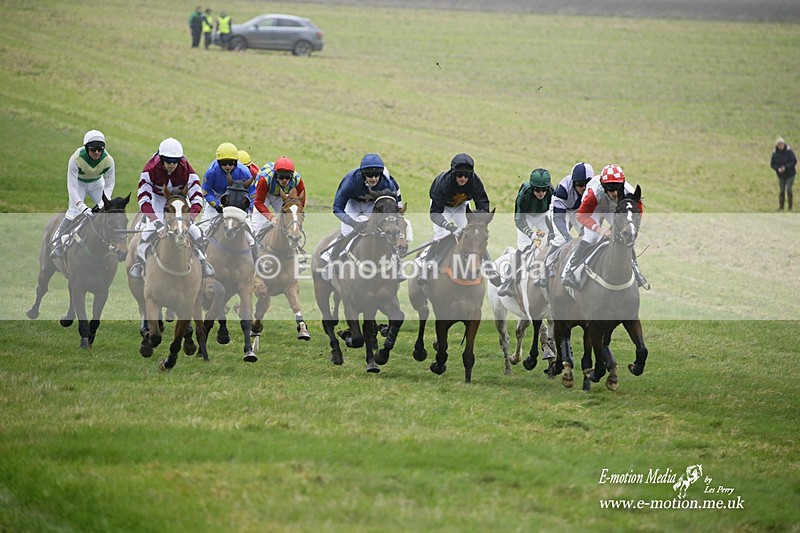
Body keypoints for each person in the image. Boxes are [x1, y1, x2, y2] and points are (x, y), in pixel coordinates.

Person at [129, 138, 214, 278]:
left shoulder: (187, 170)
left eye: (175, 162)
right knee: (148, 230)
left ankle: (203, 261)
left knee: (196, 232)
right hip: (158, 200)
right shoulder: (150, 169)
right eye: (168, 161)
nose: (172, 165)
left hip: (179, 201)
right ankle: (139, 262)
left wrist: (190, 218)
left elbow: (197, 197)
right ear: (161, 159)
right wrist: (155, 221)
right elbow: (143, 199)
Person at [561, 164, 647, 289]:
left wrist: (628, 229)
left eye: (617, 189)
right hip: (595, 208)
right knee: (592, 237)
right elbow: (581, 216)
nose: (615, 193)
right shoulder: (593, 194)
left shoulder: (630, 192)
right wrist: (600, 230)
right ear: (604, 187)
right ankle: (569, 270)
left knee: (625, 235)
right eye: (611, 190)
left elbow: (637, 213)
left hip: (614, 208)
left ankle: (636, 270)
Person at [418, 153, 499, 285]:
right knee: (441, 236)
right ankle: (429, 266)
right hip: (441, 207)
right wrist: (449, 226)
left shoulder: (475, 182)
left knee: (475, 235)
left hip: (461, 206)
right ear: (453, 173)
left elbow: (483, 204)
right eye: (459, 175)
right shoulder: (442, 184)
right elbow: (434, 213)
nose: (463, 178)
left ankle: (490, 267)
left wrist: (481, 223)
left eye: (466, 176)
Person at [319, 153, 405, 268]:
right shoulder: (350, 181)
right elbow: (337, 208)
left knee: (382, 230)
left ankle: (395, 260)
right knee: (347, 231)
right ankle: (331, 258)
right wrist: (353, 223)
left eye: (376, 175)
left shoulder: (387, 184)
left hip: (373, 205)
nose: (373, 179)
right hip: (353, 204)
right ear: (363, 174)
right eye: (369, 175)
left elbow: (393, 208)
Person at [51, 130, 116, 258]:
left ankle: (110, 242)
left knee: (106, 210)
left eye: (100, 149)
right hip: (79, 184)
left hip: (97, 183)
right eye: (93, 149)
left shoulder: (108, 160)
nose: (97, 153)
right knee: (74, 211)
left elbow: (109, 185)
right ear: (86, 148)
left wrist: (103, 202)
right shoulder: (76, 159)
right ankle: (58, 241)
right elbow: (72, 187)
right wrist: (82, 206)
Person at [496, 168, 554, 297]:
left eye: (544, 189)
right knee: (523, 247)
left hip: (542, 215)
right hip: (525, 216)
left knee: (549, 245)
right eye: (537, 190)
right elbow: (518, 219)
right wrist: (530, 233)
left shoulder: (552, 191)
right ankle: (508, 281)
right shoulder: (524, 193)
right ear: (532, 187)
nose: (541, 193)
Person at [535, 162, 593, 286]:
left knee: (590, 237)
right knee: (561, 239)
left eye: (586, 184)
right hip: (561, 212)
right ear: (573, 183)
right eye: (579, 185)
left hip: (578, 211)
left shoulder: (594, 189)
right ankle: (543, 271)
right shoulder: (563, 189)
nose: (583, 188)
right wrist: (568, 237)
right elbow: (559, 218)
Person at [252, 156, 306, 237]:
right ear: (275, 174)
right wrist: (271, 217)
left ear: (292, 175)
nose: (284, 180)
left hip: (281, 196)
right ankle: (253, 244)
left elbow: (300, 204)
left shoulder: (297, 179)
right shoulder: (265, 179)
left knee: (289, 221)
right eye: (281, 176)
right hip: (265, 195)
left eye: (287, 177)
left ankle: (295, 243)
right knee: (257, 226)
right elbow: (258, 202)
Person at [201, 142, 255, 221]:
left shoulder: (244, 172)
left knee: (249, 225)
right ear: (219, 162)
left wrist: (247, 207)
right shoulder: (211, 172)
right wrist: (216, 205)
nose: (228, 166)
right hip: (217, 196)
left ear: (236, 162)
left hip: (238, 199)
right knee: (205, 225)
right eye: (224, 163)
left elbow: (252, 193)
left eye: (231, 163)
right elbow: (206, 191)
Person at [771, 137, 796, 211]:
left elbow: (794, 161)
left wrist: (786, 167)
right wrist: (777, 168)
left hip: (790, 174)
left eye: (781, 144)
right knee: (781, 190)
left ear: (784, 144)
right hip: (781, 175)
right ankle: (781, 207)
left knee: (789, 189)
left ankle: (790, 207)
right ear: (777, 145)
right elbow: (772, 164)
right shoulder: (774, 153)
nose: (780, 145)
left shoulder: (789, 151)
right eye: (779, 144)